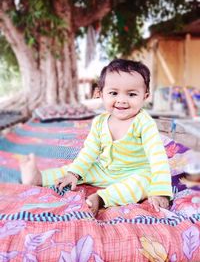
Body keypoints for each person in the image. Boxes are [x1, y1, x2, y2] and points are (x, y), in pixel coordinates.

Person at [20, 59, 173, 216]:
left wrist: (160, 190)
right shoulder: (100, 122)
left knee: (145, 183)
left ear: (145, 96)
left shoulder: (144, 123)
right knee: (78, 170)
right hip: (105, 169)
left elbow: (157, 157)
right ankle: (39, 178)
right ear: (101, 94)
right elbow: (89, 151)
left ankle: (101, 199)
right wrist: (74, 173)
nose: (121, 100)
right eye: (113, 93)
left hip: (136, 171)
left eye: (132, 94)